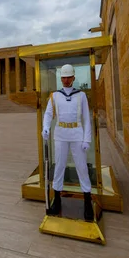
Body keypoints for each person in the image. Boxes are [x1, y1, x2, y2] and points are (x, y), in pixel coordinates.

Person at [41, 64, 94, 221]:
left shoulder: (81, 95)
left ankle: (87, 202)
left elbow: (86, 119)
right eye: (63, 77)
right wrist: (45, 128)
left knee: (82, 167)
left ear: (73, 78)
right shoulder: (55, 96)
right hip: (61, 134)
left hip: (77, 133)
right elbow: (48, 114)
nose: (65, 80)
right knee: (59, 166)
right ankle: (57, 199)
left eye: (68, 77)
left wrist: (87, 139)